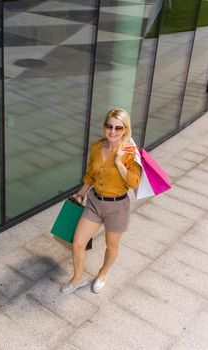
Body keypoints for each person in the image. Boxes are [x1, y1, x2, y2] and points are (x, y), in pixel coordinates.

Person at [61, 108, 141, 294]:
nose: (113, 131)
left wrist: (120, 162)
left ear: (125, 129)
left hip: (118, 206)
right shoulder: (97, 147)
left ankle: (103, 273)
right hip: (95, 202)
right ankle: (77, 278)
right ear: (104, 126)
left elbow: (133, 182)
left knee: (111, 246)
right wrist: (81, 194)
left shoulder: (131, 152)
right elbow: (91, 174)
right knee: (78, 242)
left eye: (118, 128)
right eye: (109, 126)